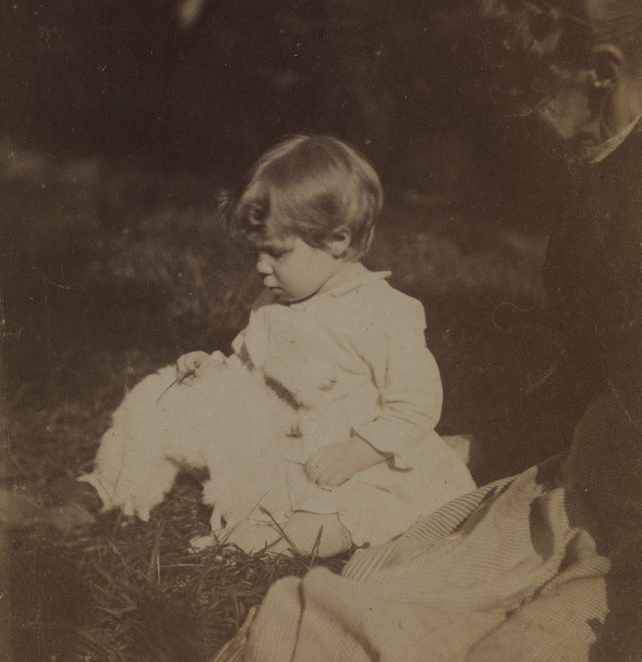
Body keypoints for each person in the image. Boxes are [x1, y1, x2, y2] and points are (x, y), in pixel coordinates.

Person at [173, 0, 642, 662]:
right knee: (359, 619)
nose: (513, 109)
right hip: (603, 473)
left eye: (525, 80)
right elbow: (600, 373)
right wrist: (484, 445)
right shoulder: (594, 189)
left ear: (601, 70)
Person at [80, 134, 474, 558]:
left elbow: (415, 404)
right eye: (257, 253)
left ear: (338, 240)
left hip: (362, 465)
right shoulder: (273, 304)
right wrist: (217, 370)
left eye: (276, 253)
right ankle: (116, 485)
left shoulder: (384, 313)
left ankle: (270, 544)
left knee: (327, 519)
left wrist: (357, 452)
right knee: (182, 427)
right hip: (288, 454)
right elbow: (254, 370)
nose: (260, 267)